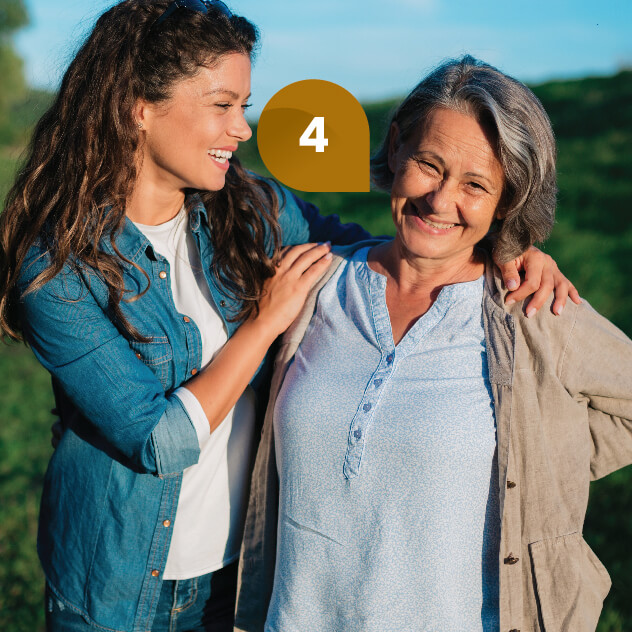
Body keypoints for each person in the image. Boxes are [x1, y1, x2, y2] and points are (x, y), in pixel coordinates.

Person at [0, 1, 571, 628]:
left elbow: (384, 246)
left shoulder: (248, 211)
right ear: (139, 107)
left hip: (234, 580)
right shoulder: (56, 268)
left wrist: (512, 250)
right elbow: (159, 440)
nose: (242, 129)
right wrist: (265, 323)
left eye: (243, 107)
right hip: (113, 588)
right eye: (222, 105)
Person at [235, 56, 632, 632]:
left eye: (476, 185)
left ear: (507, 201)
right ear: (395, 148)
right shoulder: (314, 285)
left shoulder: (533, 310)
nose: (441, 200)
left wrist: (542, 452)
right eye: (428, 164)